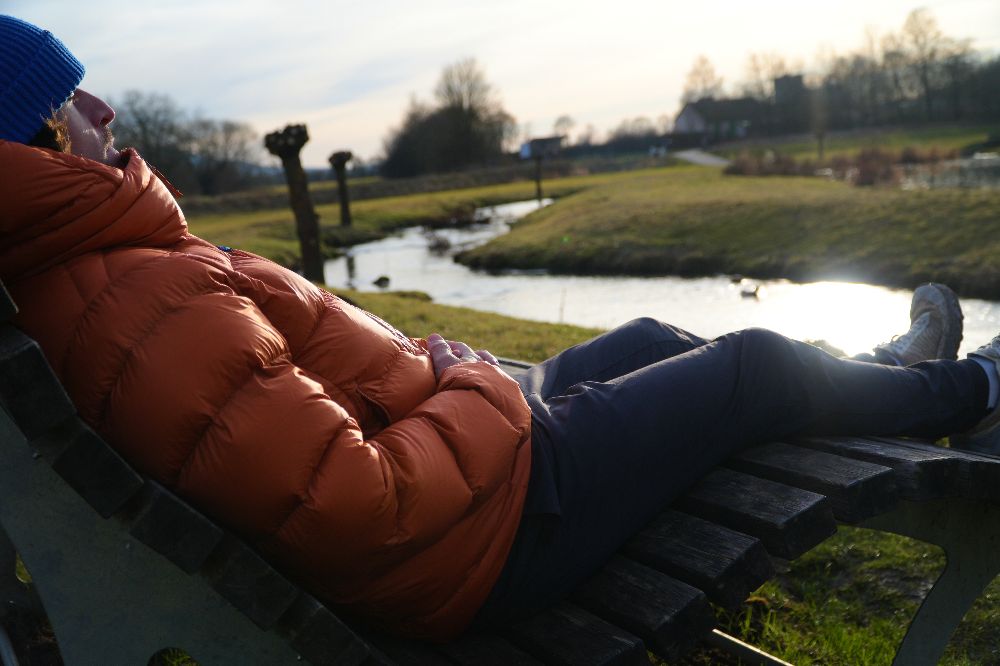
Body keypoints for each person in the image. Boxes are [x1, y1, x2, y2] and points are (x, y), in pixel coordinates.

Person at [2, 14, 999, 640]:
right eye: (68, 94)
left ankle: (887, 373)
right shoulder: (135, 299)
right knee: (752, 365)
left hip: (462, 477)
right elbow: (356, 503)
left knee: (651, 339)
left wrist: (452, 382)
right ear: (35, 143)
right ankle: (965, 391)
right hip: (478, 538)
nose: (103, 104)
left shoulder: (96, 276)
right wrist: (475, 381)